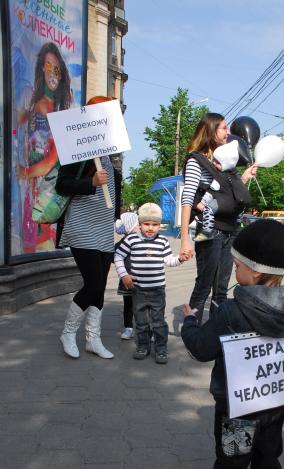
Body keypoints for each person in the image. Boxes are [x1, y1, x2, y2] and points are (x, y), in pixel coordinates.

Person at [181, 219, 284, 469]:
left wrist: (189, 323)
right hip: (274, 406)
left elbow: (200, 348)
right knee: (268, 461)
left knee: (232, 466)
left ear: (256, 271)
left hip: (238, 411)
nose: (235, 272)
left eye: (238, 266)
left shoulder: (230, 312)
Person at [55, 96, 121, 360]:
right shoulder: (77, 151)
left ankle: (93, 338)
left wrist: (117, 217)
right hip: (82, 226)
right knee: (93, 284)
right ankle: (68, 332)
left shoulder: (108, 152)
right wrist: (90, 181)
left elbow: (114, 191)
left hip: (104, 228)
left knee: (101, 285)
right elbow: (63, 184)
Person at [179, 113, 257, 324]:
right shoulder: (197, 160)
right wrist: (185, 238)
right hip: (208, 230)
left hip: (230, 231)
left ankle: (215, 334)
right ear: (211, 131)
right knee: (204, 284)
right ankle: (191, 331)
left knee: (221, 288)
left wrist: (244, 178)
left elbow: (225, 193)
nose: (229, 133)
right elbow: (187, 200)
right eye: (224, 128)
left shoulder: (225, 160)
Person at [114, 202, 189, 364]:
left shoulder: (162, 241)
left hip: (157, 290)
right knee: (141, 321)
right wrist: (124, 275)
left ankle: (161, 349)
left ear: (159, 225)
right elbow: (118, 256)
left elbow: (169, 260)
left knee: (158, 322)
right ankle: (143, 346)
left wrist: (180, 259)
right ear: (140, 224)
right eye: (146, 224)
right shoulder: (132, 239)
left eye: (154, 224)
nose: (150, 228)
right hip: (138, 289)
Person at [17, 42, 73, 252]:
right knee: (28, 241)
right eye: (48, 66)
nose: (52, 72)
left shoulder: (60, 113)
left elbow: (51, 161)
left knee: (40, 242)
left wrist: (25, 172)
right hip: (30, 187)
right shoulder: (31, 101)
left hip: (46, 189)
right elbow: (17, 128)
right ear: (42, 67)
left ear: (60, 75)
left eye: (56, 68)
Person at [194, 139, 240, 241]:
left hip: (220, 203)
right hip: (231, 207)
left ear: (226, 164)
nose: (213, 163)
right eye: (213, 160)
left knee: (208, 210)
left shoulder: (219, 177)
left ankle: (207, 231)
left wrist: (202, 202)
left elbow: (211, 192)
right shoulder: (234, 176)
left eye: (217, 162)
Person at [114, 211, 140, 340]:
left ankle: (146, 328)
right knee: (128, 305)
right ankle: (129, 327)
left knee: (144, 305)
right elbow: (114, 256)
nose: (139, 228)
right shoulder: (122, 243)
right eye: (137, 225)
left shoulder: (142, 240)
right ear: (130, 227)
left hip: (142, 279)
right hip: (127, 279)